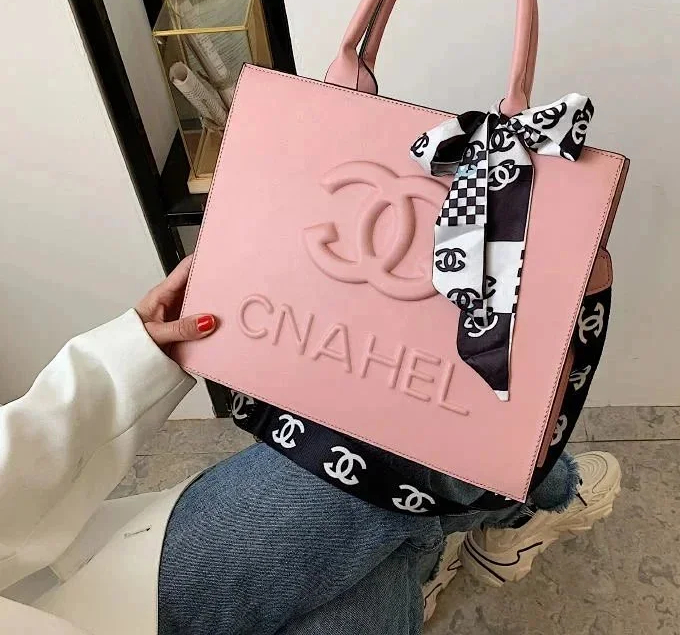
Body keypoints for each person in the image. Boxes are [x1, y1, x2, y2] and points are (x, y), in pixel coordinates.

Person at [0, 257, 620, 635]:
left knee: (386, 444)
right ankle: (466, 532)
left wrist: (120, 364)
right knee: (377, 565)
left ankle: (511, 507)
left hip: (98, 597)